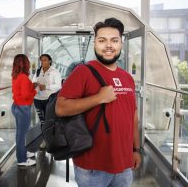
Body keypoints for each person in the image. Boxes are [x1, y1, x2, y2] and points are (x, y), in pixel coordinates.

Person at [55, 18, 141, 187]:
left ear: (121, 44)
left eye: (114, 40)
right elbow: (61, 108)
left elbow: (133, 118)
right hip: (92, 167)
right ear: (95, 43)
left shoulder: (127, 78)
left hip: (124, 165)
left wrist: (136, 150)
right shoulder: (83, 72)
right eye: (102, 40)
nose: (108, 45)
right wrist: (99, 98)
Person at [11, 54, 37, 166]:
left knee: (19, 134)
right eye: (28, 62)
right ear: (25, 64)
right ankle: (21, 160)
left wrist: (31, 85)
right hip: (23, 108)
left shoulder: (15, 76)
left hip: (16, 106)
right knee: (22, 135)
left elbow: (22, 90)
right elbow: (26, 96)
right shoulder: (23, 77)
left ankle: (23, 153)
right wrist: (35, 91)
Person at [32, 54, 62, 122]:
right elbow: (33, 82)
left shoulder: (55, 71)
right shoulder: (38, 71)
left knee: (49, 119)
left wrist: (46, 87)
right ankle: (43, 132)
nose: (43, 62)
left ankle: (48, 132)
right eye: (41, 60)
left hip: (49, 100)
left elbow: (59, 86)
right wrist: (34, 84)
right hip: (37, 99)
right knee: (42, 120)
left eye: (45, 60)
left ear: (49, 61)